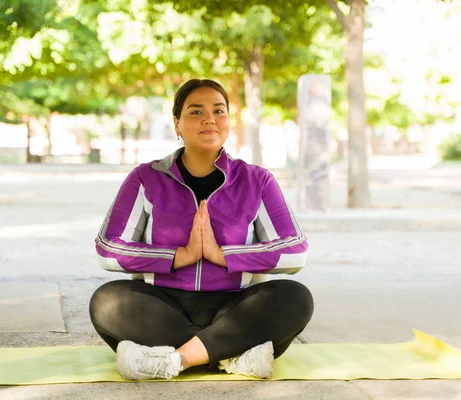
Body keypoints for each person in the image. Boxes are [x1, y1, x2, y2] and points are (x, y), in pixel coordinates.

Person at [89, 79, 314, 381]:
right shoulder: (145, 178)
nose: (210, 119)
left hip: (236, 307)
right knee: (106, 302)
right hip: (162, 306)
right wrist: (179, 256)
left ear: (228, 121)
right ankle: (232, 355)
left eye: (219, 111)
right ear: (177, 123)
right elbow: (108, 249)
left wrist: (223, 255)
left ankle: (175, 361)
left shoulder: (256, 181)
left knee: (295, 297)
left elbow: (294, 253)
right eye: (196, 112)